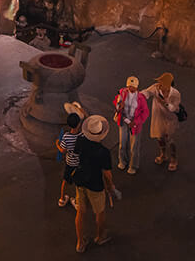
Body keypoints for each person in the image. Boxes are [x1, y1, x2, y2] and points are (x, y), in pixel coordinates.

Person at [72, 115, 118, 253]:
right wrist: (110, 187)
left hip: (80, 180)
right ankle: (100, 236)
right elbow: (107, 174)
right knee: (100, 212)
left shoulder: (80, 141)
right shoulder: (103, 152)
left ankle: (80, 242)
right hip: (95, 184)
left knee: (80, 212)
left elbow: (75, 156)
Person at [143, 72, 182, 171]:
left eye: (162, 83)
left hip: (170, 119)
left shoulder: (175, 94)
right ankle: (163, 155)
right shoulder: (156, 88)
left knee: (170, 140)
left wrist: (165, 103)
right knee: (159, 137)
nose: (159, 85)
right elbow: (146, 93)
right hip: (158, 117)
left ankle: (173, 159)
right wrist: (137, 95)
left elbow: (174, 108)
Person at [112, 75, 149, 174]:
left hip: (135, 124)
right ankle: (122, 161)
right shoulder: (123, 93)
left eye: (133, 87)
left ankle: (133, 165)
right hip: (124, 120)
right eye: (129, 86)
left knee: (134, 146)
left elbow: (145, 113)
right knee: (122, 143)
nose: (131, 89)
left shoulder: (141, 98)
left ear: (137, 87)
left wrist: (135, 122)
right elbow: (116, 102)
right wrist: (119, 106)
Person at [56, 110, 82, 209]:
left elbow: (63, 150)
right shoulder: (82, 135)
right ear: (79, 124)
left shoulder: (66, 137)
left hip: (69, 163)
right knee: (78, 183)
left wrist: (57, 144)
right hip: (79, 163)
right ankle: (77, 202)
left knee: (65, 181)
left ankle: (62, 199)